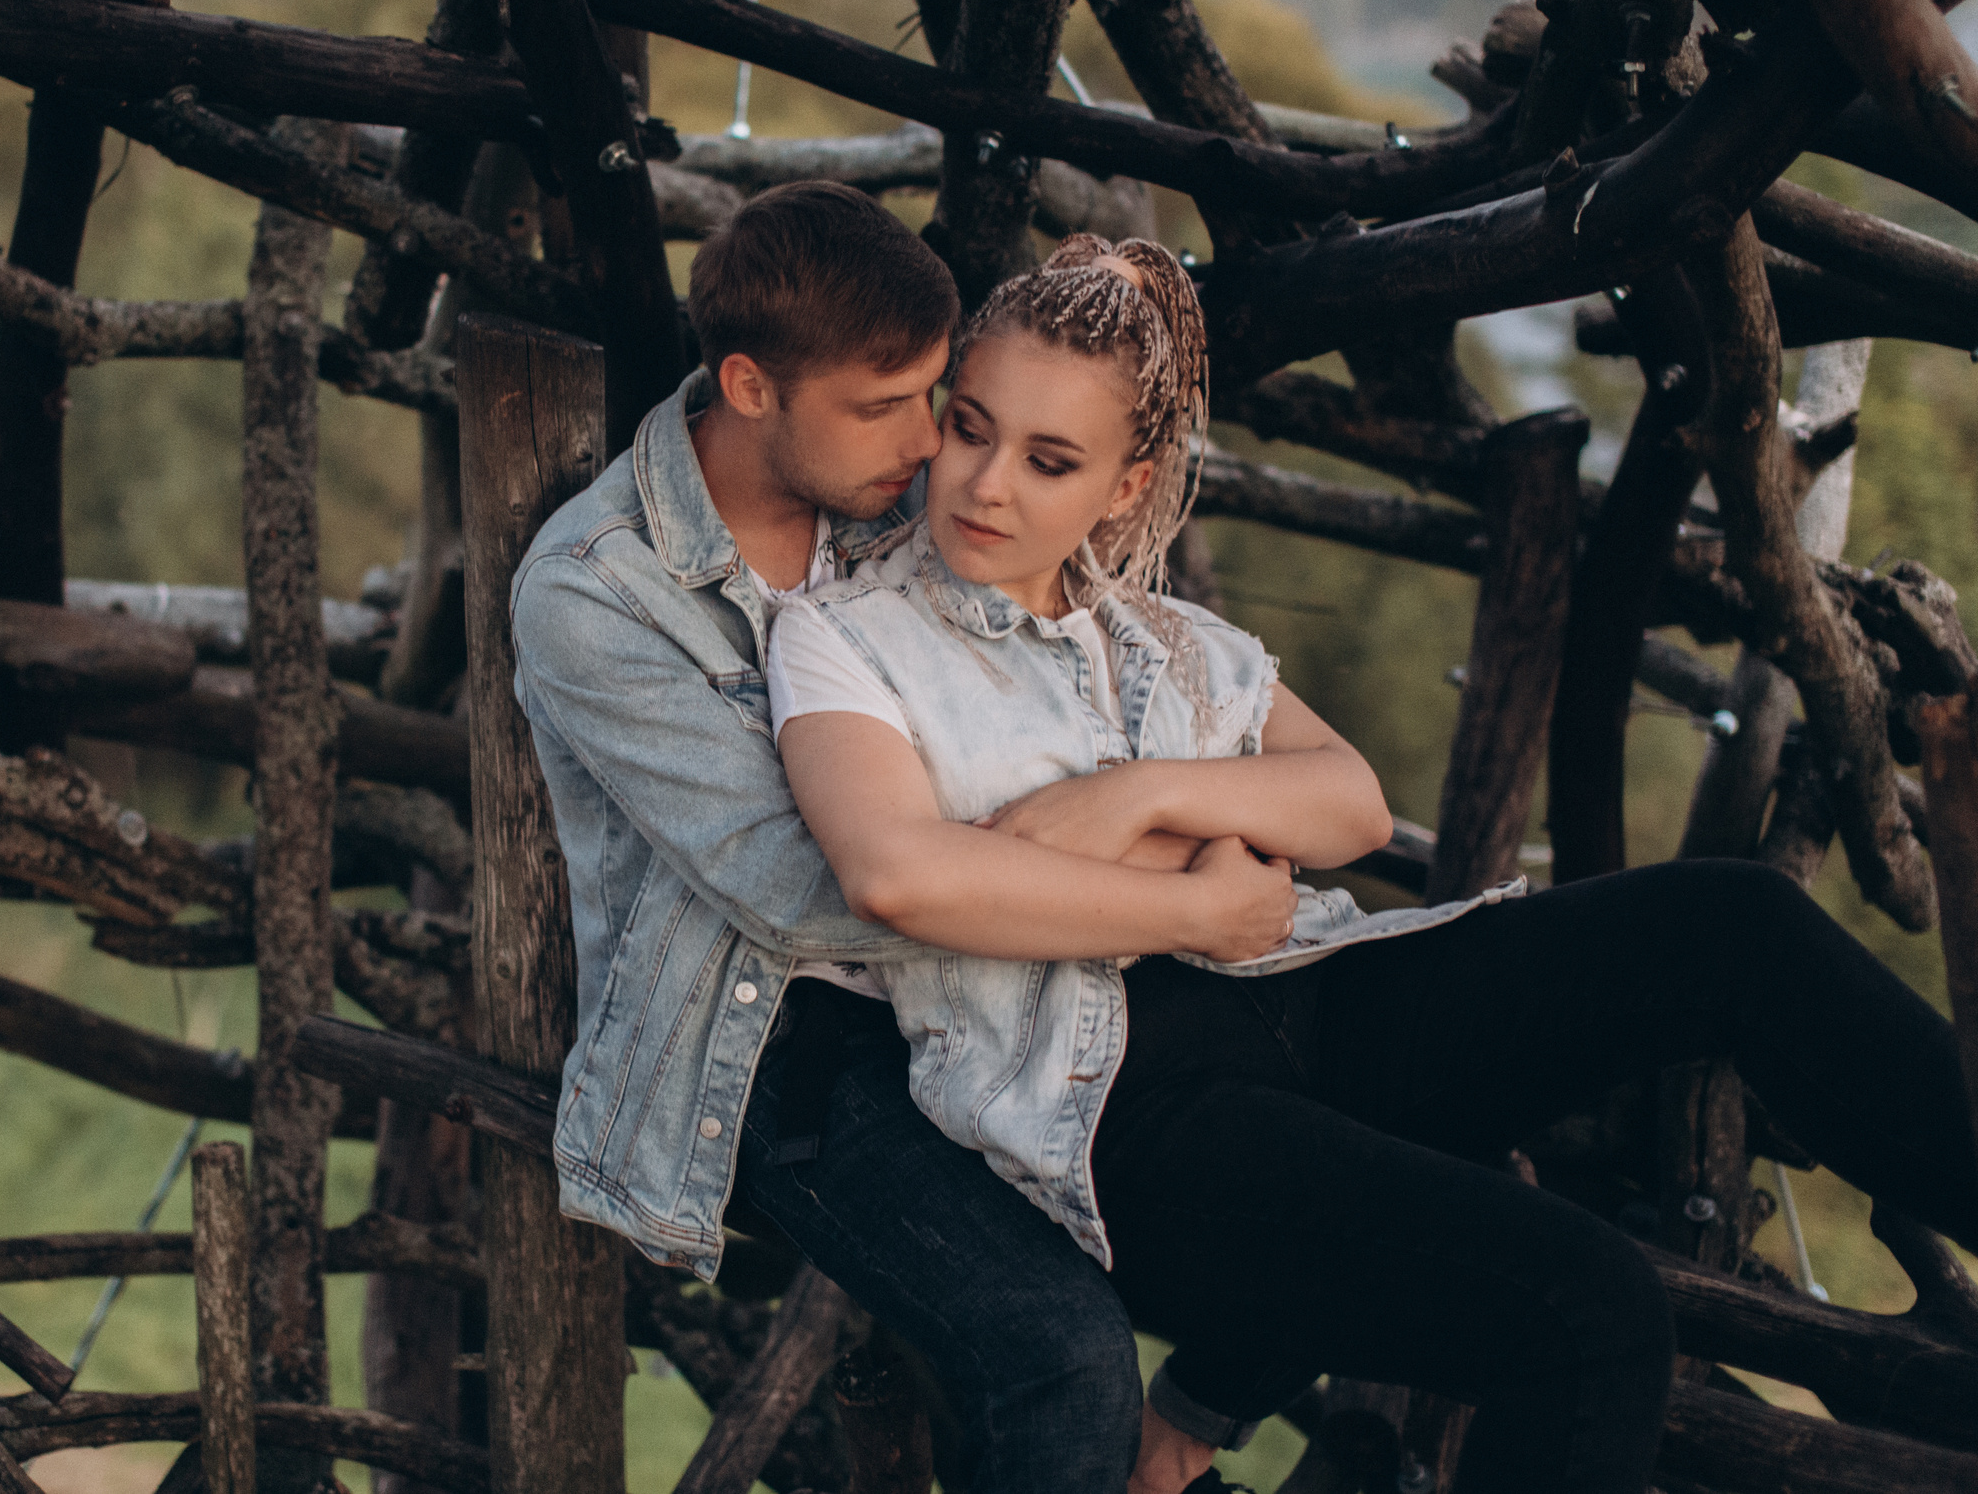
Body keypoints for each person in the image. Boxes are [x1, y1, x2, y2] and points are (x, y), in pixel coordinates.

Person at [766, 234, 1978, 1493]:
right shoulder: (848, 637)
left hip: (1318, 1004)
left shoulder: (1164, 636)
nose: (984, 483)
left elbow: (1344, 803)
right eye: (969, 429)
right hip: (1121, 1112)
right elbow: (900, 879)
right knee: (1588, 1312)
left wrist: (1133, 794)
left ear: (1128, 488)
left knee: (1734, 926)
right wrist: (1202, 903)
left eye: (1049, 459)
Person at [510, 183, 1273, 1491]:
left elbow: (1073, 682)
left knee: (1321, 1132)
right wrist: (1178, 895)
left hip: (994, 981)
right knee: (1065, 1356)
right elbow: (813, 885)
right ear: (750, 385)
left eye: (936, 396)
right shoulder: (598, 595)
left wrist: (1129, 816)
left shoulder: (892, 495)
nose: (934, 445)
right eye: (888, 406)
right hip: (775, 1044)